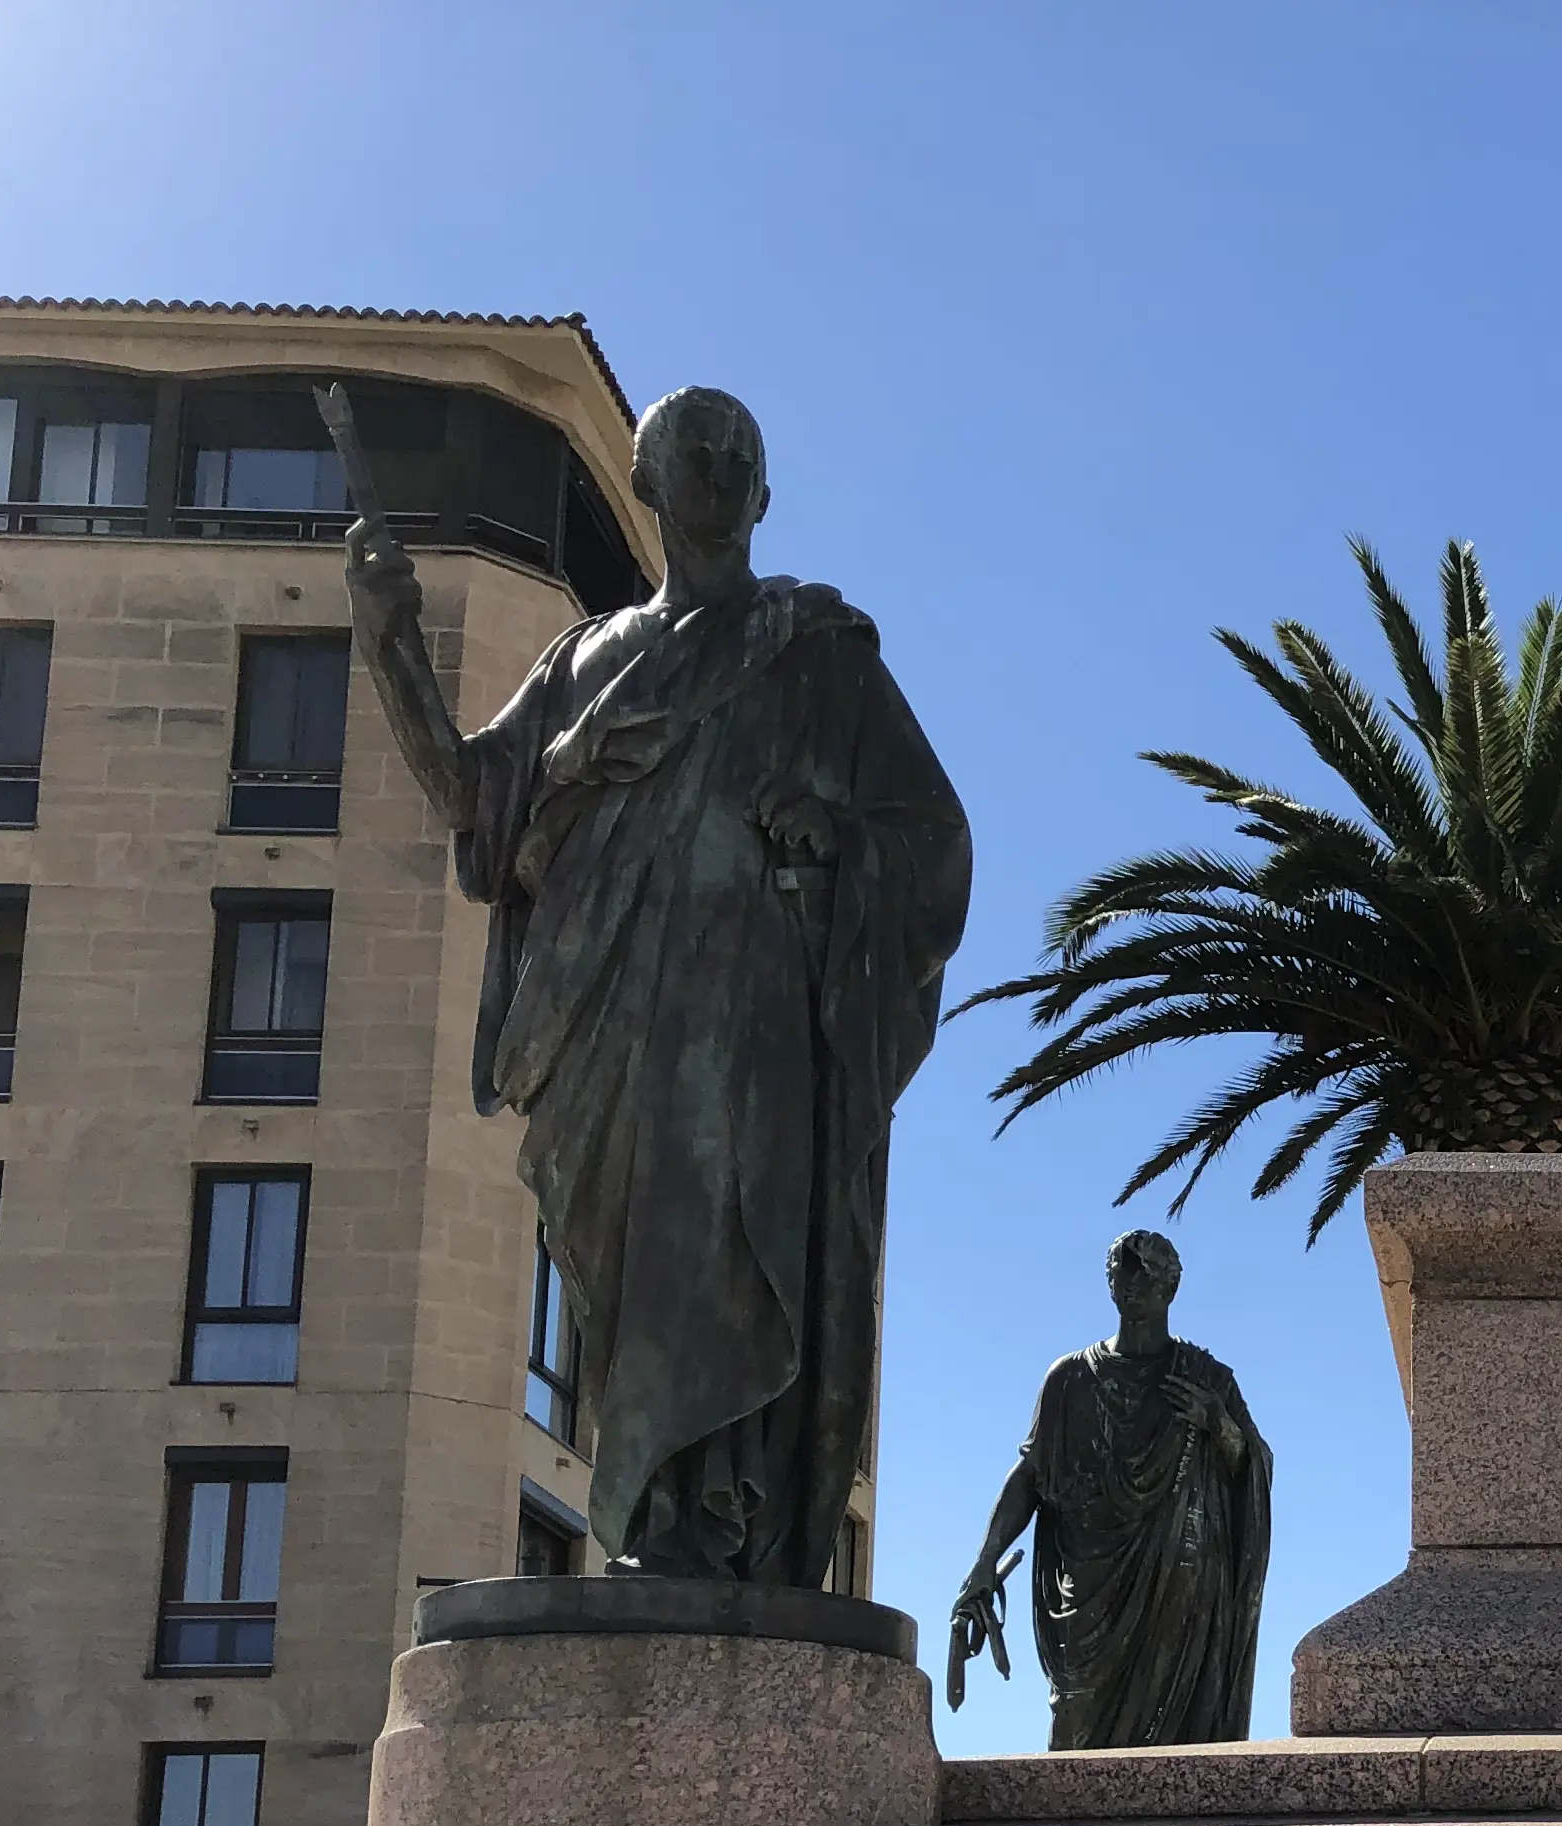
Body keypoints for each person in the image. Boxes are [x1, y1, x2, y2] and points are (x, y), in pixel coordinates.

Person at [346, 387, 970, 1582]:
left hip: (756, 1038)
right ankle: (659, 1534)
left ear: (768, 495)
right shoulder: (582, 663)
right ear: (650, 482)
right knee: (630, 1291)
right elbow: (482, 807)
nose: (725, 474)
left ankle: (725, 1528)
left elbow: (935, 837)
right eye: (701, 455)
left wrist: (838, 836)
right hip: (608, 1034)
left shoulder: (818, 654)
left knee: (739, 1263)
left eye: (745, 458)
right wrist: (389, 639)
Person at [948, 1231, 1271, 1749]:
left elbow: (1252, 1471)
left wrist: (1219, 1424)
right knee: (1075, 1707)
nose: (1132, 1279)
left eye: (1146, 1270)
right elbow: (1029, 1476)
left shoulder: (1208, 1379)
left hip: (1181, 1576)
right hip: (1090, 1573)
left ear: (1172, 1286)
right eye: (1123, 1267)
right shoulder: (1070, 1378)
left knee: (1181, 1731)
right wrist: (986, 1560)